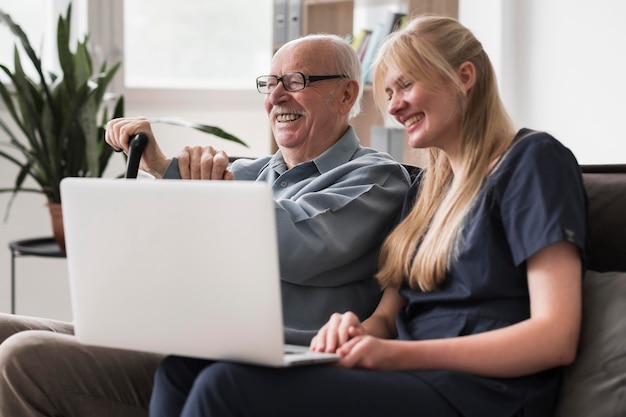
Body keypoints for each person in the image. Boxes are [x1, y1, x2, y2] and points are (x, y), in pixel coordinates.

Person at [149, 15, 589, 417]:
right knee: (184, 368)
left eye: (406, 86)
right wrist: (355, 328)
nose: (394, 107)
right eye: (389, 93)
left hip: (482, 394)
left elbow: (555, 336)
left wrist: (399, 355)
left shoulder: (532, 161)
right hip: (410, 375)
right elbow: (389, 313)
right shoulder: (426, 189)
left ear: (464, 77)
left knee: (228, 387)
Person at [0, 34, 411, 417]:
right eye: (269, 84)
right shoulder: (249, 173)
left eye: (295, 80)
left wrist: (206, 193)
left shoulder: (377, 177)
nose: (277, 96)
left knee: (24, 355)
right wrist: (158, 167)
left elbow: (298, 246)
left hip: (255, 363)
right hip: (180, 336)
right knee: (4, 330)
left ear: (345, 94)